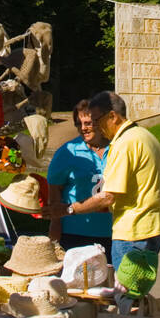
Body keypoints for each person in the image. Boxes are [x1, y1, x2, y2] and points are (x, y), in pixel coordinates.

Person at [85, 91, 160, 270]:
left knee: (126, 294)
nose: (94, 126)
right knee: (140, 289)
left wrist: (73, 209)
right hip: (155, 229)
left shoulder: (124, 144)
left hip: (133, 233)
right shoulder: (147, 136)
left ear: (112, 116)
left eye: (96, 120)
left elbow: (108, 197)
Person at [45, 99, 112, 258]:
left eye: (88, 123)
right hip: (75, 232)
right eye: (78, 124)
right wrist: (55, 226)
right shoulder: (68, 152)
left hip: (114, 232)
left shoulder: (118, 148)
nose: (83, 129)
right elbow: (54, 192)